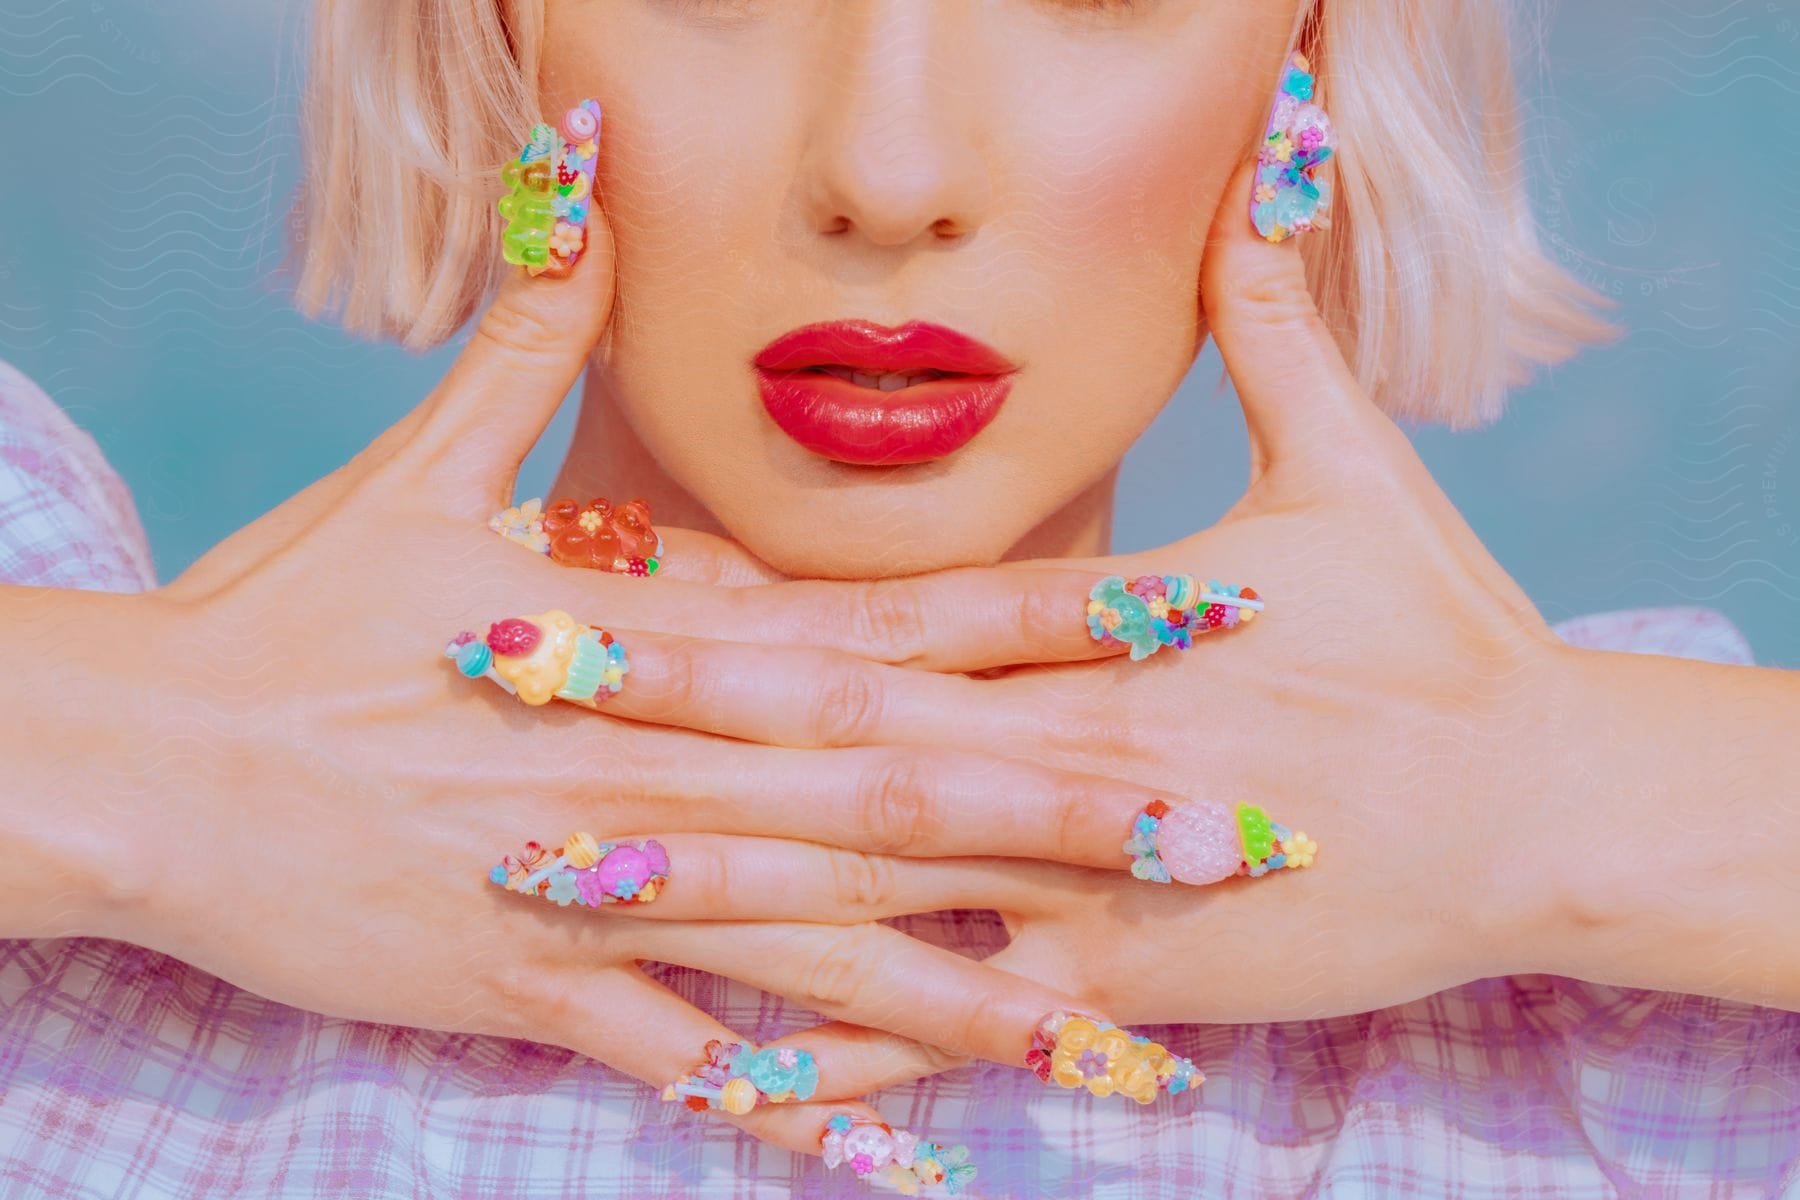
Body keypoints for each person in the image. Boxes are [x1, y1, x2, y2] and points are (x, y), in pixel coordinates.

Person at [2, 1, 1795, 1195]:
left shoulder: (1609, 944)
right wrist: (166, 755)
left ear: (1305, 67)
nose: (890, 176)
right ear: (495, 29)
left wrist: (1560, 796)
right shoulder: (69, 716)